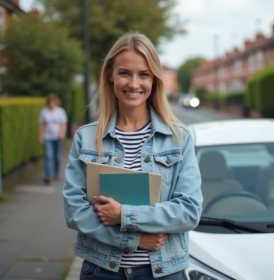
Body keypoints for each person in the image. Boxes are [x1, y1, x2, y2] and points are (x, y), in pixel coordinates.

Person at [63, 32, 202, 280]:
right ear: (110, 75)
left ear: (155, 80)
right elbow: (75, 211)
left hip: (162, 273)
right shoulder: (86, 138)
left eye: (144, 75)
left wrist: (124, 215)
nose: (134, 84)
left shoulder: (180, 138)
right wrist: (133, 239)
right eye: (125, 73)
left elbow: (189, 211)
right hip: (102, 272)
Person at [38, 93, 67, 184]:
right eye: (50, 101)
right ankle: (48, 176)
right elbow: (41, 125)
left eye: (53, 101)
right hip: (47, 138)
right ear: (48, 102)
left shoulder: (60, 111)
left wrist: (62, 134)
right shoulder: (44, 112)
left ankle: (57, 172)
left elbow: (63, 124)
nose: (51, 103)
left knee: (57, 156)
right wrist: (41, 136)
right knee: (48, 156)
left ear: (55, 102)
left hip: (58, 137)